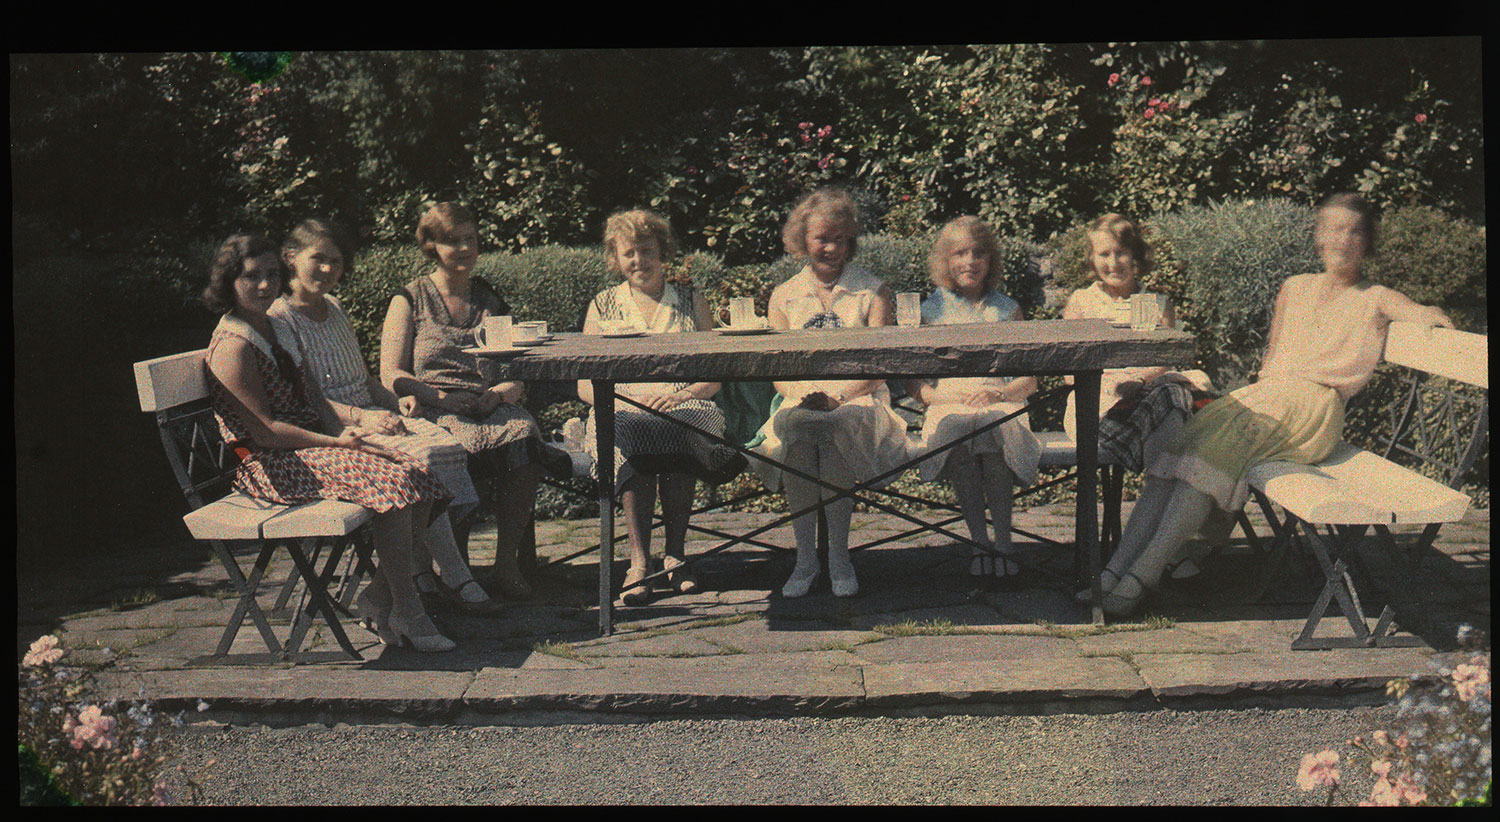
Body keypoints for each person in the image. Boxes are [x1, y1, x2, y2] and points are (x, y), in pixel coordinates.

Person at [1096, 193, 1454, 617]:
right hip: (1268, 396)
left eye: (1354, 231)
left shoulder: (1375, 296)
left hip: (1312, 409)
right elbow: (1273, 357)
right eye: (1334, 229)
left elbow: (1419, 312)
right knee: (1178, 450)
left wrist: (1432, 316)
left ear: (1367, 242)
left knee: (1212, 456)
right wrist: (1253, 399)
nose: (1343, 239)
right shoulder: (1295, 287)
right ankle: (1111, 573)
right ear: (1319, 238)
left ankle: (1141, 578)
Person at [201, 232, 456, 652]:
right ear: (229, 280)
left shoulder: (277, 325)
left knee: (418, 473)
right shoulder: (233, 346)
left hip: (311, 447)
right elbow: (264, 431)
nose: (264, 285)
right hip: (271, 463)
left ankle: (378, 596)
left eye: (271, 275)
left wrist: (346, 432)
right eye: (251, 277)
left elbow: (316, 398)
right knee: (393, 488)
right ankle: (410, 612)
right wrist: (340, 445)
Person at [268, 217, 500, 616]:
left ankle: (421, 574)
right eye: (318, 259)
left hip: (371, 416)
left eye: (336, 262)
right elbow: (307, 399)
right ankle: (452, 575)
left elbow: (363, 378)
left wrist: (394, 400)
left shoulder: (335, 307)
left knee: (445, 446)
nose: (328, 270)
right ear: (290, 258)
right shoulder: (280, 319)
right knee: (422, 462)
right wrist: (363, 418)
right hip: (332, 430)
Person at [380, 202, 565, 600]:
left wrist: (497, 395)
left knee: (522, 434)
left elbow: (518, 366)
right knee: (450, 450)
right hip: (435, 405)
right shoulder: (409, 299)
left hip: (488, 403)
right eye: (451, 241)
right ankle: (455, 568)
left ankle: (505, 564)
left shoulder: (489, 299)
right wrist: (442, 399)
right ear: (431, 246)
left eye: (470, 239)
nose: (463, 248)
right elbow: (391, 374)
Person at [750, 187, 913, 598]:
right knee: (801, 428)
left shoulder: (873, 292)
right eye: (822, 238)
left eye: (841, 239)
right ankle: (806, 558)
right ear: (803, 239)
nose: (832, 248)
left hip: (858, 400)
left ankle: (838, 556)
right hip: (801, 399)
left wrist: (837, 397)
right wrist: (806, 396)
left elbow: (879, 368)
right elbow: (778, 371)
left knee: (836, 426)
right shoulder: (784, 296)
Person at [576, 209, 741, 605]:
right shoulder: (602, 305)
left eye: (646, 251)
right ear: (616, 258)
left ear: (662, 252)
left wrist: (683, 395)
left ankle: (676, 555)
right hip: (623, 405)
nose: (638, 261)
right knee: (628, 430)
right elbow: (585, 384)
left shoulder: (690, 300)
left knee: (682, 425)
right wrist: (628, 397)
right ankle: (638, 561)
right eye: (629, 253)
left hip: (684, 402)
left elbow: (714, 375)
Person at [1062, 213, 1216, 579]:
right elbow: (1068, 370)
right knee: (1173, 418)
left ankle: (1135, 559)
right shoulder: (1082, 302)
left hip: (1147, 396)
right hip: (1096, 401)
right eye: (1103, 254)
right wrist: (1115, 378)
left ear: (1136, 256)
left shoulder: (1156, 303)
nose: (1112, 263)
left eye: (1121, 253)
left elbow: (1166, 361)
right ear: (1091, 259)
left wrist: (1142, 379)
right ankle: (1161, 551)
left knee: (1170, 396)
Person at [904, 216, 1041, 578]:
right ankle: (980, 541)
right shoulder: (929, 312)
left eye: (978, 253)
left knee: (993, 430)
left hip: (1001, 400)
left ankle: (1005, 543)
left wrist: (1001, 391)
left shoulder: (1007, 310)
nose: (969, 262)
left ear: (990, 260)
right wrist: (939, 399)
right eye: (959, 253)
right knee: (962, 436)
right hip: (950, 404)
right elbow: (915, 383)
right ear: (945, 261)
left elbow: (1030, 379)